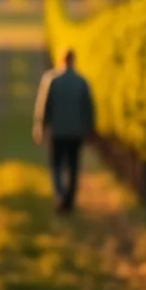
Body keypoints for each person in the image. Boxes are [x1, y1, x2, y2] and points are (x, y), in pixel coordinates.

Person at [32, 48, 95, 213]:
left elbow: (43, 107)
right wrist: (88, 130)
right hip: (76, 133)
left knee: (57, 166)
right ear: (74, 61)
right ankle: (69, 200)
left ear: (61, 60)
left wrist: (40, 127)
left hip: (57, 132)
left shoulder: (51, 80)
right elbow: (88, 109)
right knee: (73, 167)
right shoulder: (82, 82)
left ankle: (60, 194)